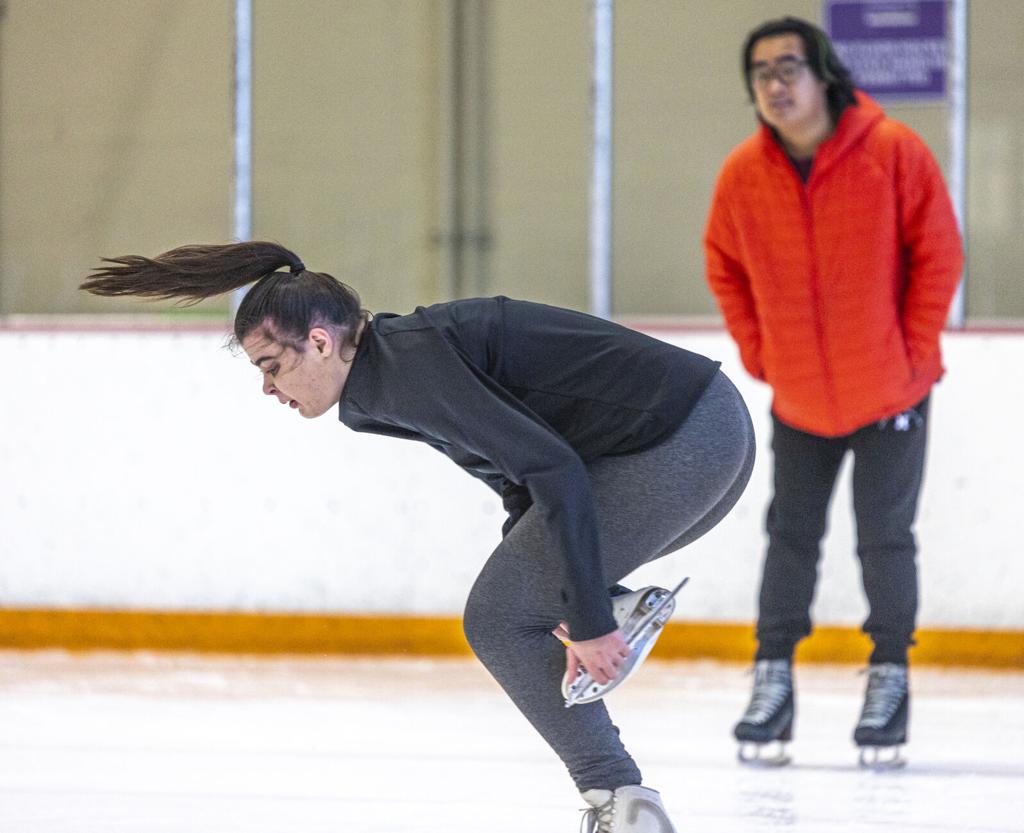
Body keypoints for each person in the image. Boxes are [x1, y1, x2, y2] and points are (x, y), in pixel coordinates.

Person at [81, 240, 756, 831]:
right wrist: (571, 594)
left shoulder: (407, 368)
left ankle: (625, 805)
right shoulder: (392, 369)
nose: (268, 388)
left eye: (270, 365)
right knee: (521, 596)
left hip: (684, 443)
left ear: (319, 340)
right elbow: (514, 474)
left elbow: (554, 469)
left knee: (497, 618)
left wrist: (584, 618)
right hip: (702, 436)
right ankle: (611, 618)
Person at [704, 16, 963, 768]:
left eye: (789, 67)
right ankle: (773, 680)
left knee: (885, 541)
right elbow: (724, 264)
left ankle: (889, 680)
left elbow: (939, 255)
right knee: (790, 538)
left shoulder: (893, 152)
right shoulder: (742, 174)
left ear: (824, 74)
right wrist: (760, 351)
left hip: (892, 390)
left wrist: (913, 356)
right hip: (800, 395)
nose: (775, 84)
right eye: (761, 74)